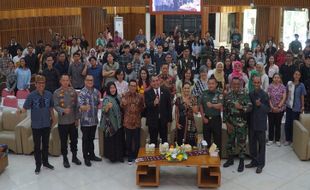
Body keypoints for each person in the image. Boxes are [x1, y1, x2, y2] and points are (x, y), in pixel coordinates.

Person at [18, 75, 56, 174]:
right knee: (37, 146)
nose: (41, 85)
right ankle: (38, 165)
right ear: (35, 84)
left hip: (47, 124)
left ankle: (46, 162)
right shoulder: (31, 96)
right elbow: (25, 108)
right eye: (39, 83)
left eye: (43, 83)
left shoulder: (49, 94)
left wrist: (54, 118)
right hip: (36, 125)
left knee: (46, 145)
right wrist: (20, 111)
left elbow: (51, 107)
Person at [223, 77, 252, 172]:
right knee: (230, 143)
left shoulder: (245, 94)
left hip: (241, 125)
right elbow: (225, 110)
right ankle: (230, 159)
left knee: (241, 143)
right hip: (231, 124)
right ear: (231, 85)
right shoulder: (228, 95)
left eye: (237, 84)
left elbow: (250, 107)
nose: (236, 86)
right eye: (234, 84)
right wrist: (227, 123)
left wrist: (241, 107)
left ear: (240, 85)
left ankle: (241, 162)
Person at [53, 75, 81, 168]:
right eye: (63, 80)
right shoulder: (56, 93)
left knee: (74, 140)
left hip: (73, 121)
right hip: (63, 122)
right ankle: (65, 159)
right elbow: (56, 106)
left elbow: (77, 106)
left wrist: (77, 118)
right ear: (60, 81)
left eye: (67, 80)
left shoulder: (73, 91)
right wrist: (63, 110)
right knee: (64, 142)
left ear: (69, 81)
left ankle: (74, 157)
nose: (65, 82)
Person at [246, 76, 270, 174]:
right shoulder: (250, 94)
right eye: (254, 82)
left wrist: (261, 105)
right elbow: (248, 108)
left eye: (258, 82)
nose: (256, 84)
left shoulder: (264, 95)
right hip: (252, 123)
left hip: (260, 124)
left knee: (261, 145)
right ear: (252, 83)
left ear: (260, 83)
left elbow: (268, 109)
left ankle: (260, 164)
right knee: (252, 144)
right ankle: (254, 161)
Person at [78, 75, 102, 167]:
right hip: (85, 121)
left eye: (91, 80)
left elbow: (98, 103)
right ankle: (86, 157)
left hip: (94, 120)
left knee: (91, 139)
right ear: (85, 81)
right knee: (85, 140)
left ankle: (92, 155)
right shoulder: (82, 93)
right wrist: (84, 107)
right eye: (88, 80)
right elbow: (80, 106)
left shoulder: (96, 92)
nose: (90, 81)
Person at [121, 80, 144, 164]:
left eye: (134, 86)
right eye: (131, 85)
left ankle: (136, 155)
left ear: (136, 87)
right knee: (129, 141)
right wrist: (123, 103)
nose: (133, 87)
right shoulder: (125, 96)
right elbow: (122, 107)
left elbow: (142, 107)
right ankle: (130, 156)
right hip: (127, 122)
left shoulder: (140, 97)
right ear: (129, 86)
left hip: (137, 122)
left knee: (137, 141)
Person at [145, 76, 172, 145]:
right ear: (150, 83)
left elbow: (169, 107)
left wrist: (169, 120)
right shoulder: (147, 93)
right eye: (153, 81)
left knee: (164, 142)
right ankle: (153, 156)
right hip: (152, 122)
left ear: (159, 81)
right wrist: (153, 103)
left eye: (157, 80)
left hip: (163, 121)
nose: (155, 83)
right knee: (153, 142)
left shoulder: (166, 91)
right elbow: (147, 106)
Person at [101, 82, 124, 162]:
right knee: (112, 141)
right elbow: (103, 111)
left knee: (119, 140)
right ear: (108, 89)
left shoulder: (118, 96)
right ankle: (113, 157)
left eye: (114, 87)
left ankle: (120, 156)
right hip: (111, 124)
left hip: (119, 122)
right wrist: (107, 107)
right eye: (111, 88)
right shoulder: (107, 98)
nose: (113, 89)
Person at [200, 77, 223, 152]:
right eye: (209, 84)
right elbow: (200, 105)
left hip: (216, 119)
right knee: (206, 141)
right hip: (206, 119)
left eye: (212, 84)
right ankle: (207, 159)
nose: (211, 85)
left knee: (217, 141)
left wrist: (212, 105)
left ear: (216, 84)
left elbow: (220, 105)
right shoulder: (204, 93)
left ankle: (217, 160)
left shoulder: (219, 93)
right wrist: (203, 117)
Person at [284, 70, 307, 146]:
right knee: (287, 123)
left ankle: (293, 140)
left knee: (294, 124)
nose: (297, 76)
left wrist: (303, 106)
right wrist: (285, 102)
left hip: (296, 107)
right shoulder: (289, 83)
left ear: (300, 76)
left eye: (298, 75)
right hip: (288, 106)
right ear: (293, 75)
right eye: (295, 74)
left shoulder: (301, 85)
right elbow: (286, 93)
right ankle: (287, 139)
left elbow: (302, 96)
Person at [175, 82, 198, 146]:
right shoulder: (178, 99)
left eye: (188, 88)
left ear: (190, 89)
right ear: (182, 89)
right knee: (180, 143)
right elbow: (176, 112)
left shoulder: (193, 98)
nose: (186, 90)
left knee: (190, 144)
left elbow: (196, 111)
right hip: (181, 122)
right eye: (185, 88)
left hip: (190, 123)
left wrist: (190, 105)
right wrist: (176, 123)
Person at [267, 73, 286, 146]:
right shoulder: (270, 87)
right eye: (275, 77)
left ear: (280, 79)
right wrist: (272, 107)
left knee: (278, 124)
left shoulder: (283, 87)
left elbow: (284, 98)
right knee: (271, 124)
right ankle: (270, 139)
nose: (276, 79)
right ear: (273, 78)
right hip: (271, 109)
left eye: (278, 77)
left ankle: (277, 140)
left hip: (280, 109)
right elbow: (268, 98)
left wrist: (278, 107)